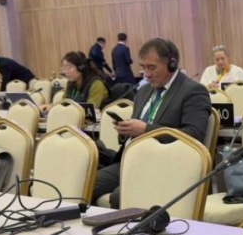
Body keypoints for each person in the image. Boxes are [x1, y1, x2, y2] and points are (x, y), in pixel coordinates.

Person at [90, 37, 211, 207]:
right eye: (143, 67)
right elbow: (136, 129)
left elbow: (194, 135)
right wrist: (126, 131)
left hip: (165, 165)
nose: (146, 74)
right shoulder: (144, 91)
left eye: (152, 68)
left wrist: (146, 129)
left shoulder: (193, 91)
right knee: (85, 186)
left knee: (120, 196)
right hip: (132, 159)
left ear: (172, 64)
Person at [41, 51, 109, 113]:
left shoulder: (96, 84)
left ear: (81, 68)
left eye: (69, 68)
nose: (66, 72)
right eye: (64, 68)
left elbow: (89, 111)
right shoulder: (71, 83)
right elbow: (65, 103)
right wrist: (52, 106)